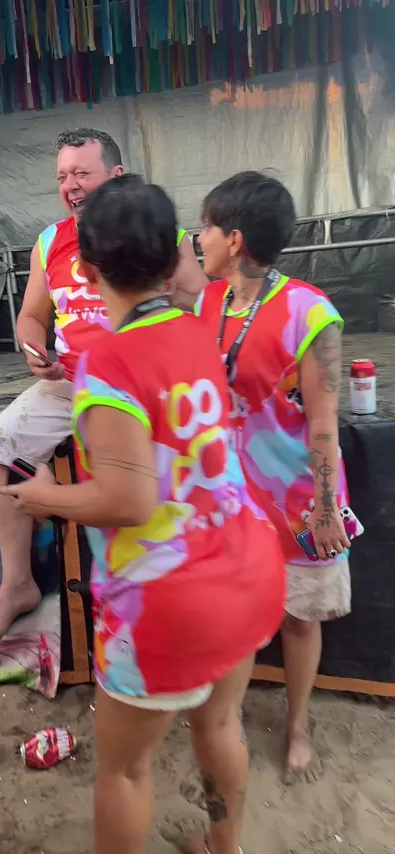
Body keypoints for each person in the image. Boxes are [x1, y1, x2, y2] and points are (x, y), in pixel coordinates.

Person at [2, 174, 285, 854]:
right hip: (245, 571)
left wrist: (43, 497)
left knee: (125, 771)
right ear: (172, 257)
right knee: (220, 726)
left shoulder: (107, 363)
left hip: (169, 604)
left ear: (86, 268)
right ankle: (224, 848)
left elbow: (127, 501)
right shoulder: (197, 332)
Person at [0, 128, 207, 654]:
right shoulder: (49, 241)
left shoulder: (158, 230)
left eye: (82, 172)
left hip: (147, 384)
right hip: (71, 383)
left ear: (116, 176)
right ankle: (17, 582)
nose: (71, 185)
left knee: (152, 476)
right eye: (63, 176)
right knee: (2, 440)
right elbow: (32, 316)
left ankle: (171, 593)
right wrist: (33, 348)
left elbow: (200, 301)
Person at [195, 171, 351, 783]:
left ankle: (298, 726)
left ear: (234, 240)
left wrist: (325, 508)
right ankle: (226, 720)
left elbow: (323, 422)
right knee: (228, 614)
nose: (198, 239)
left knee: (298, 618)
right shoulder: (204, 303)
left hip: (295, 497)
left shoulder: (310, 313)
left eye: (206, 227)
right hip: (226, 496)